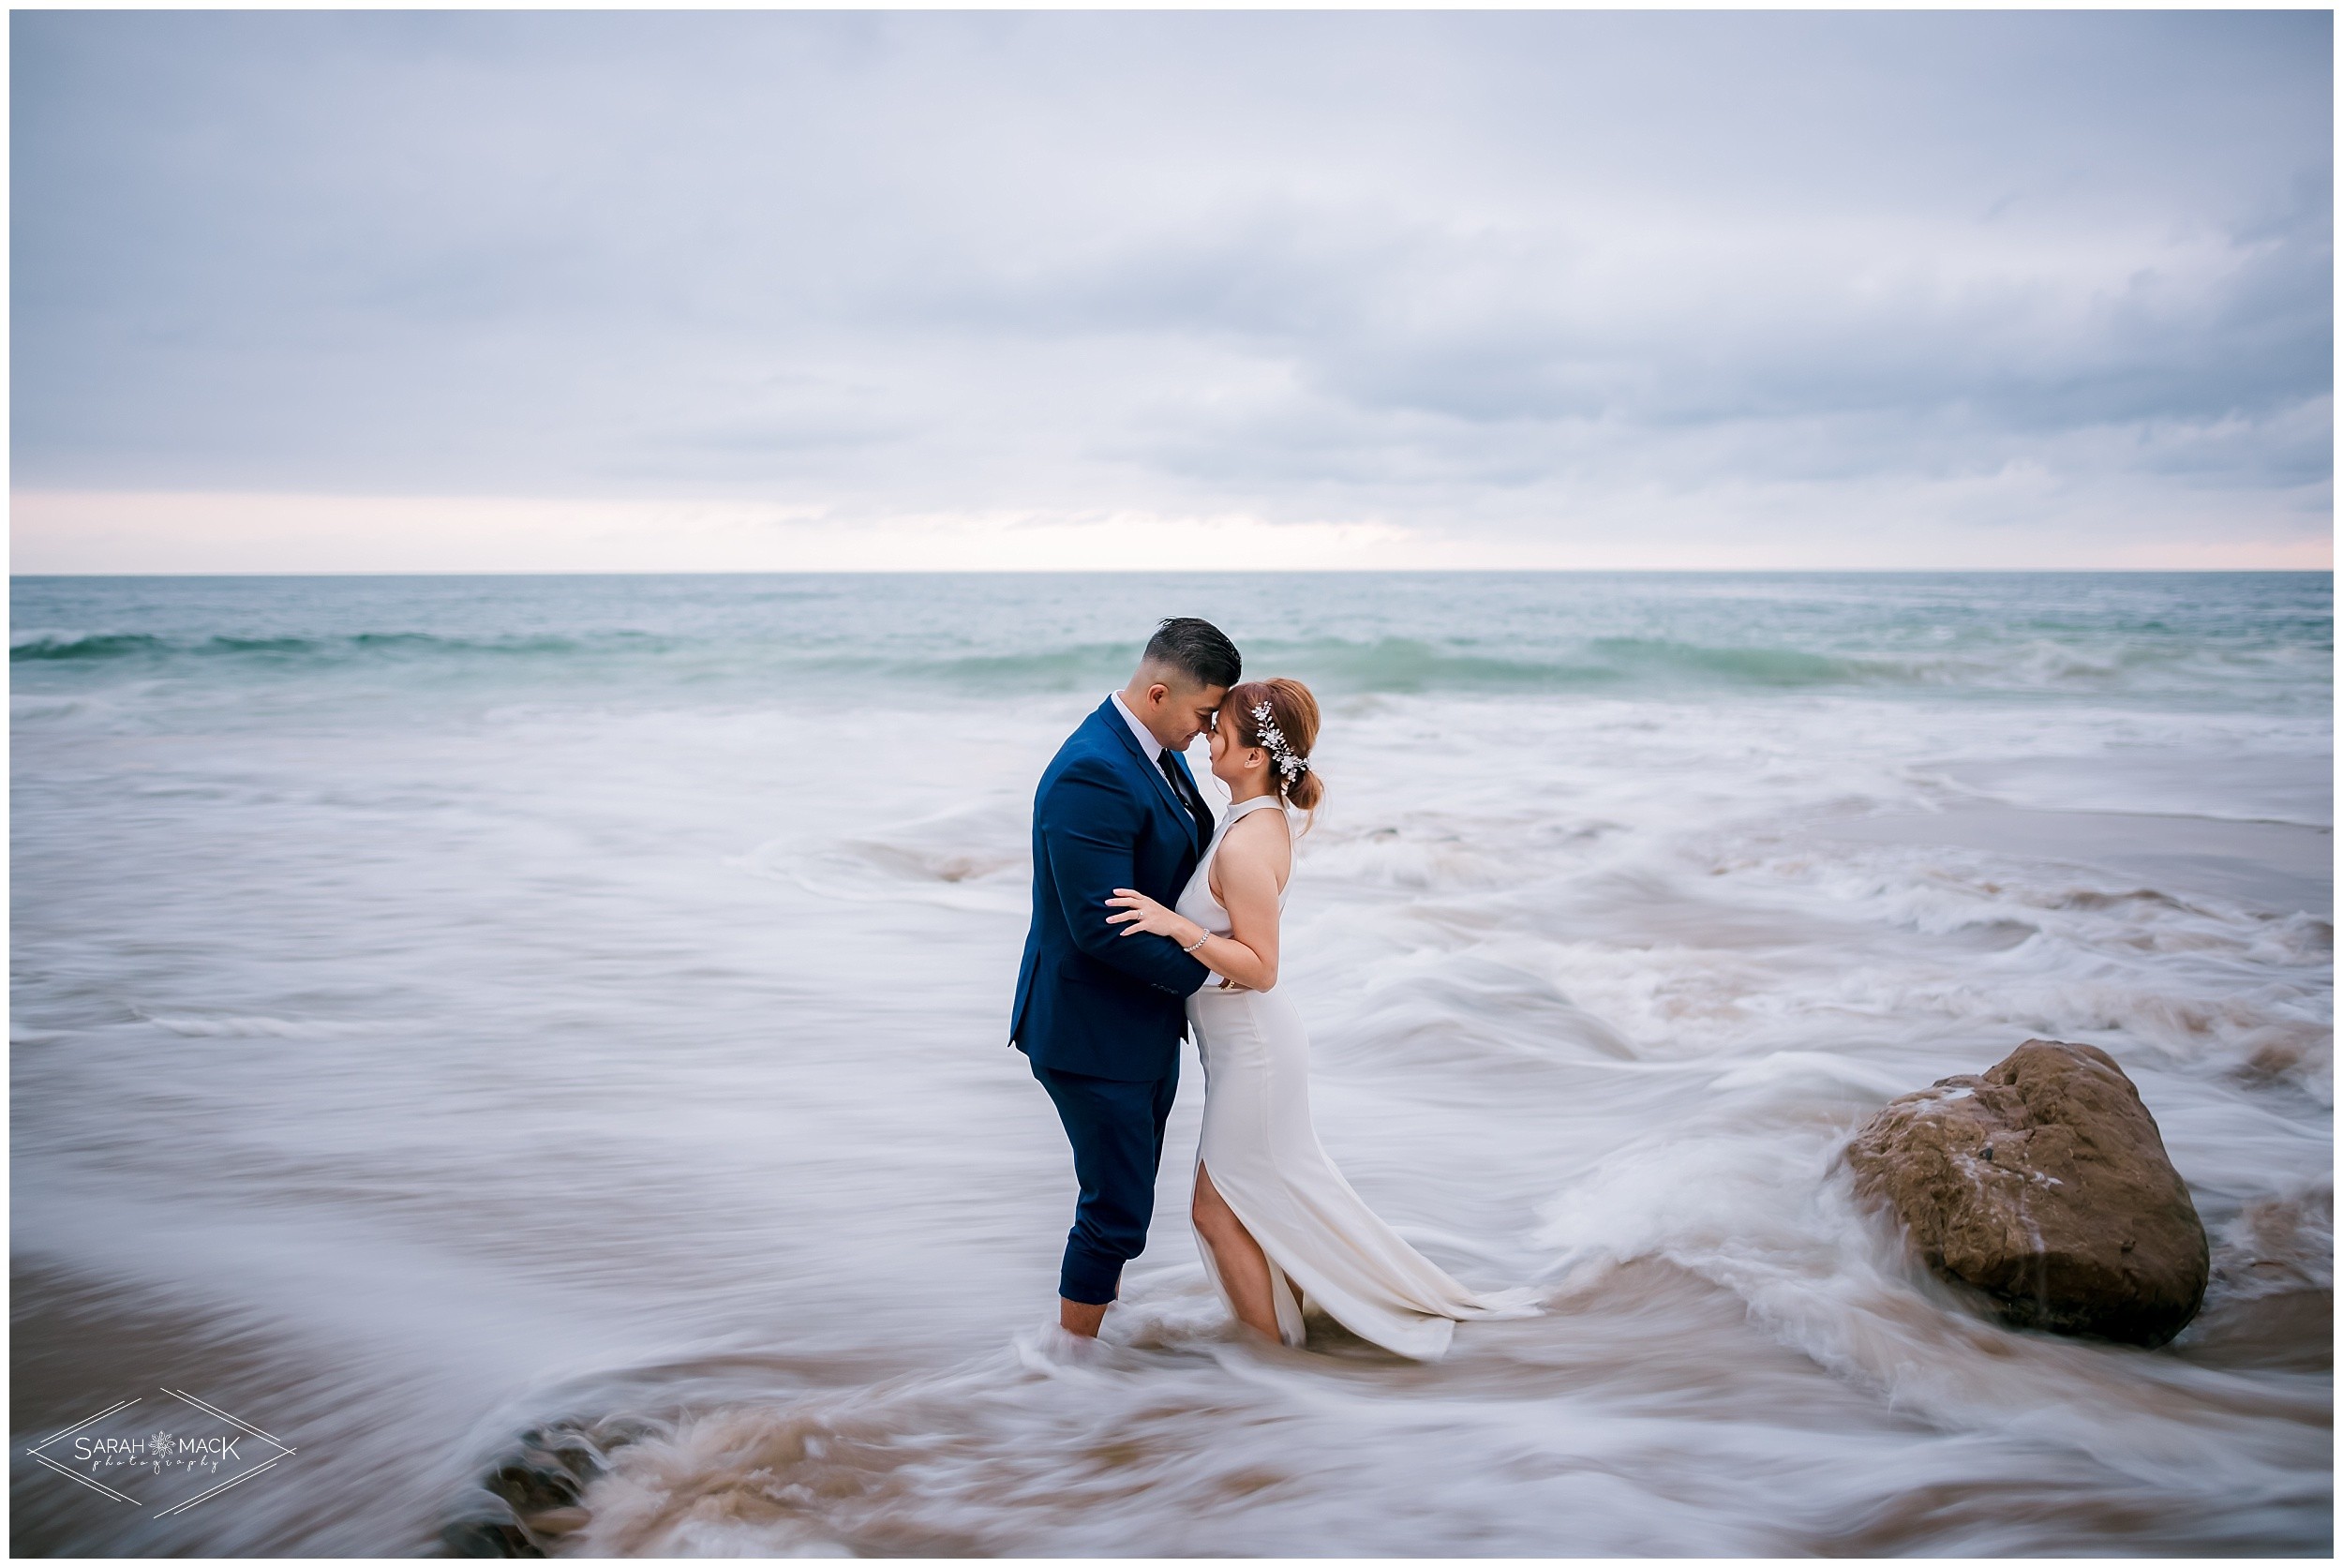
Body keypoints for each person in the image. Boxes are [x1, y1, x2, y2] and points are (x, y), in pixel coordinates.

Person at [1108, 678, 1535, 1359]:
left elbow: (1261, 964)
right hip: (1241, 1045)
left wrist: (1169, 925)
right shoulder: (1251, 819)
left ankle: (1270, 1356)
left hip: (1254, 1049)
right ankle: (1292, 1337)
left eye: (1220, 729)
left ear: (1253, 756)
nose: (1208, 736)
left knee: (1216, 1211)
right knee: (1262, 1198)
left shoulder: (1250, 841)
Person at [1010, 617, 1241, 1339]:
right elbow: (1100, 925)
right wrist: (1216, 976)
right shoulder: (1095, 770)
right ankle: (1068, 1370)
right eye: (1205, 714)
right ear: (1159, 691)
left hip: (1140, 1023)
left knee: (1125, 1202)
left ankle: (1090, 1338)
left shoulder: (1154, 750)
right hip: (1090, 1031)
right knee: (1114, 1209)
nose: (1208, 733)